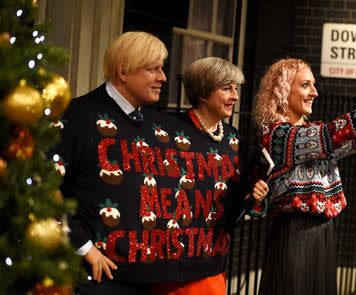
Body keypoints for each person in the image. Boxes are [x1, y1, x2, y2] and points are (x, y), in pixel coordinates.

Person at [53, 31, 267, 295]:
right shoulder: (78, 116)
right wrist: (85, 248)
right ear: (123, 71)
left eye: (162, 69)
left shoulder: (155, 125)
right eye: (153, 69)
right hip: (94, 277)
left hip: (144, 278)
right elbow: (43, 189)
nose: (163, 78)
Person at [251, 58, 356, 295]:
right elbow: (331, 134)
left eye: (313, 85)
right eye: (305, 85)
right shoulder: (278, 135)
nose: (315, 92)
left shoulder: (311, 137)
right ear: (282, 90)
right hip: (294, 236)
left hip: (323, 234)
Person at [149, 56, 268, 294]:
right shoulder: (167, 129)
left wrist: (256, 198)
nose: (235, 96)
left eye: (235, 88)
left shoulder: (233, 139)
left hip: (212, 262)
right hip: (170, 264)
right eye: (226, 88)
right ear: (203, 93)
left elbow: (236, 203)